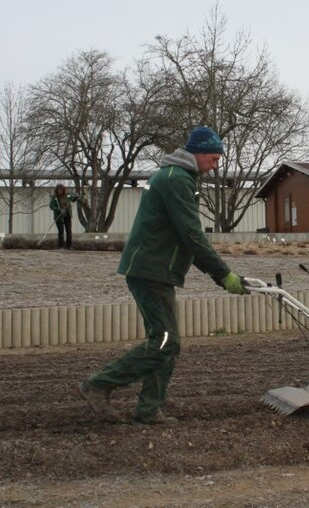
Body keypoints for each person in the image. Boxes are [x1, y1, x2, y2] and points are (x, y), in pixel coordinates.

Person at [78, 125, 248, 425]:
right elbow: (192, 235)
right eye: (213, 157)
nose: (216, 164)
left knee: (167, 340)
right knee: (166, 340)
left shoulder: (180, 177)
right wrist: (224, 275)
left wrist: (221, 276)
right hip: (149, 270)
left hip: (156, 270)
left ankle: (148, 408)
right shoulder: (175, 180)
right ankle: (99, 384)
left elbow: (187, 238)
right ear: (197, 153)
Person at [50, 184, 79, 249]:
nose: (60, 191)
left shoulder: (67, 195)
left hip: (67, 216)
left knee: (69, 231)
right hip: (59, 217)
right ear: (56, 190)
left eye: (62, 190)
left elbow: (72, 198)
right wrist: (59, 210)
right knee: (61, 232)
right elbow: (51, 206)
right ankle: (61, 246)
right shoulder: (54, 198)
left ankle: (69, 245)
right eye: (59, 190)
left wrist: (76, 197)